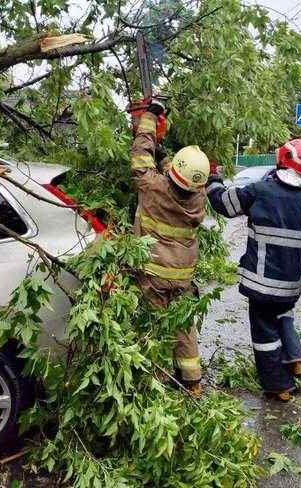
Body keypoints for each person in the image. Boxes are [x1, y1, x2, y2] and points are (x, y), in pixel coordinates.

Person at [206, 139, 301, 401]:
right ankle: (295, 359)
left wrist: (213, 180)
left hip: (263, 285)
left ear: (283, 160)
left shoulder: (261, 191)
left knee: (264, 333)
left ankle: (278, 385)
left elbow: (224, 204)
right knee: (283, 314)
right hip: (292, 286)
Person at [130, 100, 210, 396]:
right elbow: (181, 181)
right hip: (182, 276)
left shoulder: (151, 188)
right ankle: (193, 382)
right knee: (183, 326)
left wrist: (149, 117)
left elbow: (140, 153)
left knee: (155, 327)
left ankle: (158, 383)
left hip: (152, 273)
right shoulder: (197, 200)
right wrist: (165, 159)